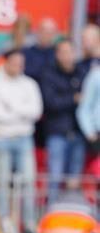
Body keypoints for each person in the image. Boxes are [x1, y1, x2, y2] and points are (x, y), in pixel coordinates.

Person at [0, 49, 43, 233]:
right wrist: (21, 113)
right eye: (15, 62)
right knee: (3, 181)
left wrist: (11, 108)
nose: (18, 67)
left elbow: (36, 111)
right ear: (6, 62)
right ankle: (5, 219)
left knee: (29, 182)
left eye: (20, 63)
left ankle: (29, 223)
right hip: (0, 139)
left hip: (24, 138)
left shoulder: (29, 84)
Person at [39, 39, 85, 203]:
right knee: (55, 178)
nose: (67, 56)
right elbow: (50, 103)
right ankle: (52, 212)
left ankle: (71, 217)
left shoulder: (81, 72)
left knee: (74, 180)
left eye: (69, 52)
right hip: (57, 133)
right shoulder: (48, 74)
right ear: (57, 55)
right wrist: (73, 99)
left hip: (78, 133)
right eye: (63, 52)